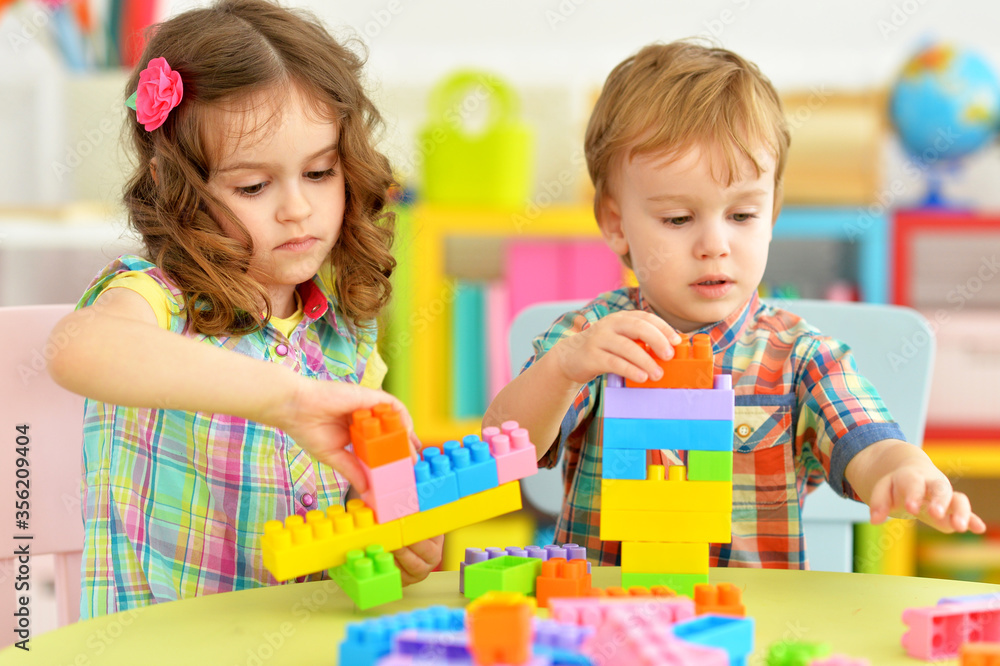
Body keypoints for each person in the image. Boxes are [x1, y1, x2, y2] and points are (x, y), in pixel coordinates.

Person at [484, 41, 985, 569]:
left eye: (743, 215)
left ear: (772, 213)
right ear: (616, 223)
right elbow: (502, 448)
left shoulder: (804, 358)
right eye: (678, 218)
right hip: (610, 620)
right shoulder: (590, 338)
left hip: (752, 627)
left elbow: (869, 445)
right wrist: (564, 368)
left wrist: (905, 472)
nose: (714, 244)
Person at [48, 0, 441, 618]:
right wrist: (285, 399)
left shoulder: (344, 335)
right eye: (254, 186)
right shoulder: (156, 298)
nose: (297, 210)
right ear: (174, 185)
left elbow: (353, 526)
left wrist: (394, 541)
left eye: (319, 172)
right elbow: (78, 348)